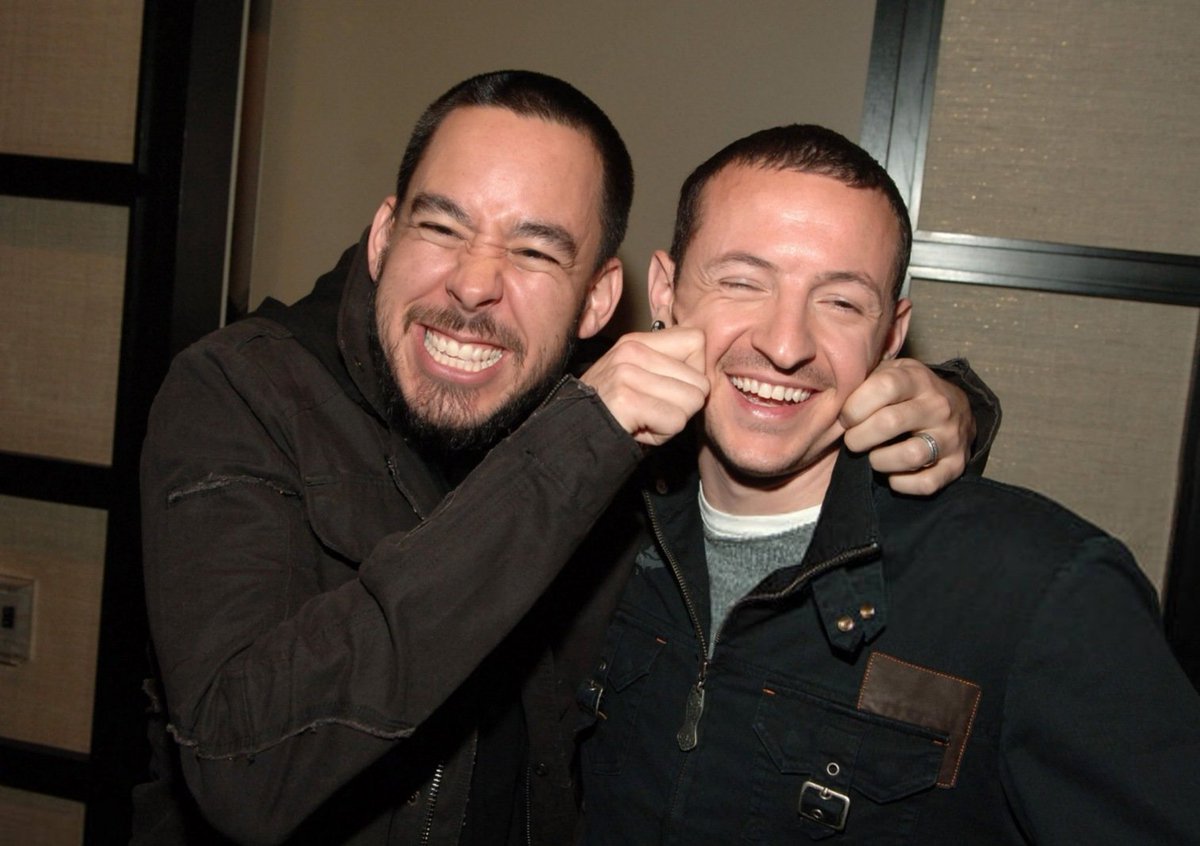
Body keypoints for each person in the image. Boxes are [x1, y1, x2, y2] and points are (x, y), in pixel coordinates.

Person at [137, 71, 992, 844]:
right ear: (382, 237)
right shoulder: (243, 393)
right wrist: (577, 439)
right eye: (443, 227)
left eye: (536, 250)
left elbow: (783, 377)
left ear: (599, 301)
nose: (473, 286)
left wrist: (952, 404)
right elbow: (242, 764)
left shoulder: (620, 419)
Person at [576, 123, 1200, 844]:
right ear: (667, 290)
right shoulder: (582, 536)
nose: (785, 344)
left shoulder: (1036, 591)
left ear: (892, 334)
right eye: (744, 282)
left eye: (842, 302)